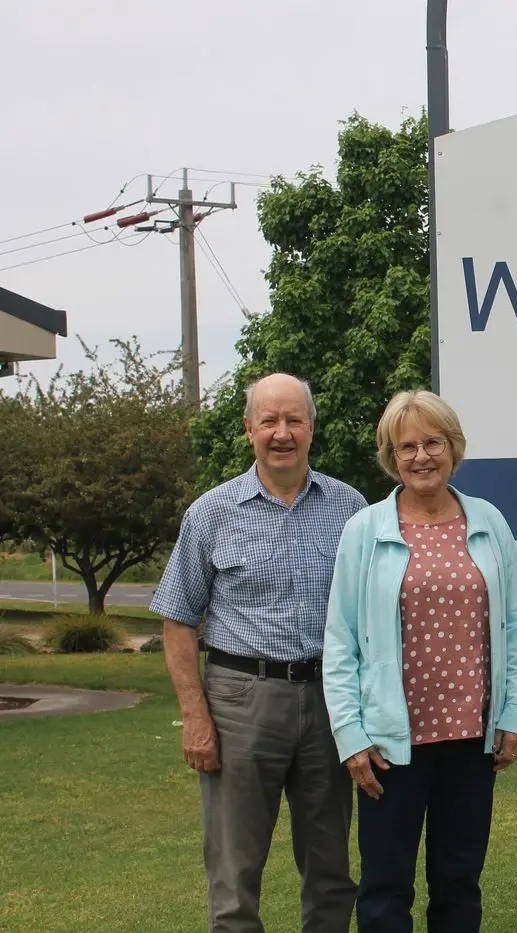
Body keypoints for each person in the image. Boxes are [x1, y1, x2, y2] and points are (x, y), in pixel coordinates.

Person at [151, 372, 367, 933]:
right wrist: (196, 718)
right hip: (239, 701)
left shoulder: (352, 510)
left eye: (293, 419)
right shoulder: (211, 513)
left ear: (311, 429)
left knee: (330, 868)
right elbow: (178, 619)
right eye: (269, 420)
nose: (282, 432)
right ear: (249, 429)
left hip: (330, 702)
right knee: (234, 868)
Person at [322, 389, 517, 933]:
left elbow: (516, 629)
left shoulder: (489, 522)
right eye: (407, 446)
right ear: (391, 458)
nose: (421, 457)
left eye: (433, 443)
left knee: (459, 883)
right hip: (390, 746)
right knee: (385, 890)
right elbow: (341, 641)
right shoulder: (364, 531)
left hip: (471, 740)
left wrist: (515, 715)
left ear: (454, 448)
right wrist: (351, 736)